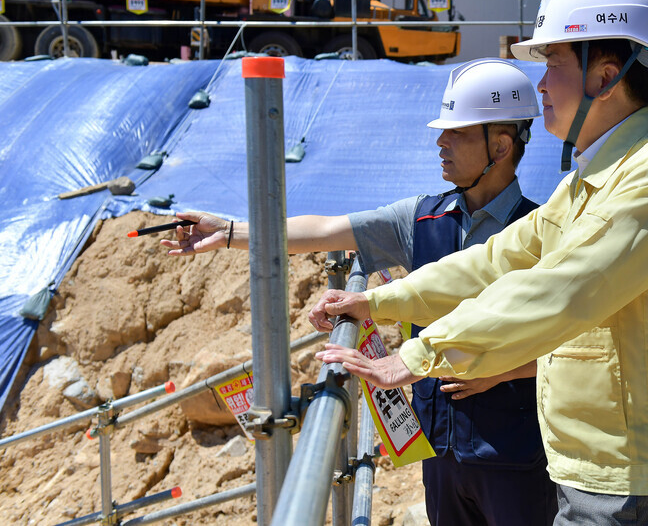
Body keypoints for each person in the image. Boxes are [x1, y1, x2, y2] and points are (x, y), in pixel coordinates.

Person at [310, 0, 648, 526]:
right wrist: (380, 304)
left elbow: (560, 290)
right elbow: (498, 259)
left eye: (552, 64)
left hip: (634, 473)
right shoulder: (586, 183)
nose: (542, 85)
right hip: (595, 463)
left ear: (605, 75)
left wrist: (413, 357)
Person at [161, 58, 557, 526]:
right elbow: (327, 229)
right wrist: (229, 231)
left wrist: (505, 371)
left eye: (459, 133)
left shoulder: (543, 232)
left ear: (502, 144)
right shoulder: (421, 220)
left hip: (517, 457)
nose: (441, 142)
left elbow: (581, 343)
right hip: (441, 452)